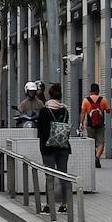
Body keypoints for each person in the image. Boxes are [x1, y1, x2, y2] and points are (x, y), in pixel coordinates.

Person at [35, 83, 72, 213]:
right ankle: (65, 204)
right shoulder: (65, 110)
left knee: (49, 176)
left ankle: (49, 205)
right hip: (63, 146)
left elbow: (40, 131)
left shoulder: (44, 111)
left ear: (49, 95)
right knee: (63, 174)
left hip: (48, 147)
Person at [81, 83, 110, 168]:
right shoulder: (103, 100)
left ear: (90, 91)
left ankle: (94, 158)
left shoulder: (86, 100)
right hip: (100, 125)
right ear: (98, 91)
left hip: (90, 125)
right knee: (101, 143)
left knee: (91, 142)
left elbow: (83, 112)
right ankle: (97, 157)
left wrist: (81, 123)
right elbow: (108, 111)